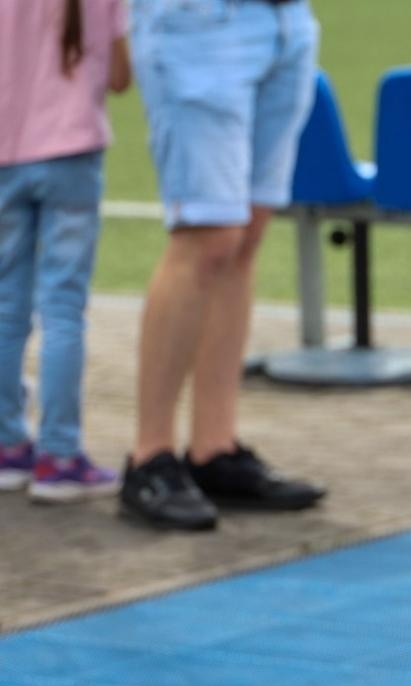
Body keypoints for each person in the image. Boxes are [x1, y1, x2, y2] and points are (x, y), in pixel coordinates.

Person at [119, 0, 324, 532]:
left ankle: (213, 448)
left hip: (286, 20)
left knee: (245, 234)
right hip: (199, 20)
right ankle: (149, 456)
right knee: (208, 236)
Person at [0, 0, 131, 502]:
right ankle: (59, 454)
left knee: (8, 308)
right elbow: (120, 77)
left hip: (7, 154)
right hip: (71, 153)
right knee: (63, 309)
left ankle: (8, 443)